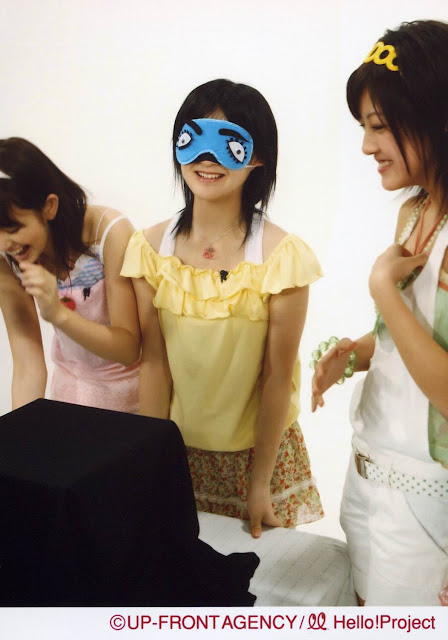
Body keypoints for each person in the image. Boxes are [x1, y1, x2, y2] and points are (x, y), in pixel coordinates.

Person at [121, 79, 323, 538]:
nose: (207, 158)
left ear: (258, 157)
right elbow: (154, 362)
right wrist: (151, 462)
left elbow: (277, 376)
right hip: (176, 451)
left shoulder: (281, 258)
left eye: (227, 141)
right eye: (193, 139)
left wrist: (260, 483)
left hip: (257, 456)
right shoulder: (149, 249)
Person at [311, 20, 448, 605]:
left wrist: (382, 288)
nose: (367, 146)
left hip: (426, 502)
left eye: (380, 126)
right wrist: (357, 354)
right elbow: (411, 336)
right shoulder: (414, 212)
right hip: (368, 476)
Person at [0, 137, 140, 412]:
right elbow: (28, 366)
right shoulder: (5, 257)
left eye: (14, 229)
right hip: (69, 396)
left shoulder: (109, 233)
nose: (5, 243)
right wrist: (16, 433)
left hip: (132, 401)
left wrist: (58, 314)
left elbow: (128, 349)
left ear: (49, 206)